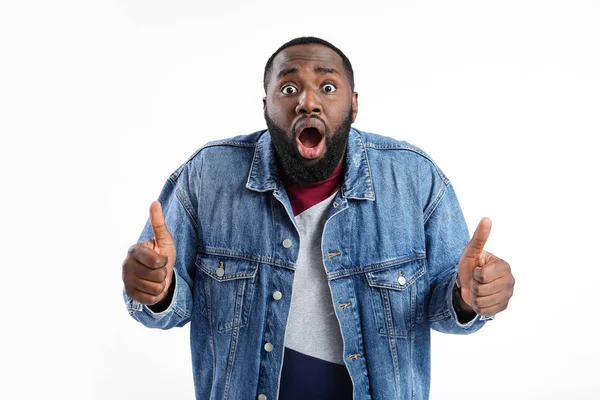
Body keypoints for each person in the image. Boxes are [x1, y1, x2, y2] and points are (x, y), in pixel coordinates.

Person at [122, 36, 515, 399]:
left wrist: (470, 298)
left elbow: (445, 307)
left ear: (354, 104)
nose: (308, 102)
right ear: (265, 106)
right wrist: (158, 290)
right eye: (288, 88)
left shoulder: (413, 179)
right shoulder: (208, 176)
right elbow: (166, 307)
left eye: (327, 88)